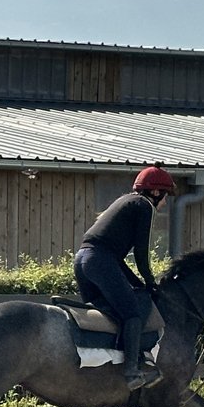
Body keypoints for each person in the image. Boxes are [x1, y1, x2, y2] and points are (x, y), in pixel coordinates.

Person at [74, 165, 176, 390]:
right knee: (132, 314)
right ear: (156, 192)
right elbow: (141, 252)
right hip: (99, 261)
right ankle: (131, 372)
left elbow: (117, 260)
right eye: (165, 196)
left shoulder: (125, 201)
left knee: (109, 313)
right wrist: (150, 282)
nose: (164, 203)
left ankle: (105, 369)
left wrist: (139, 284)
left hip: (82, 260)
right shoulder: (144, 206)